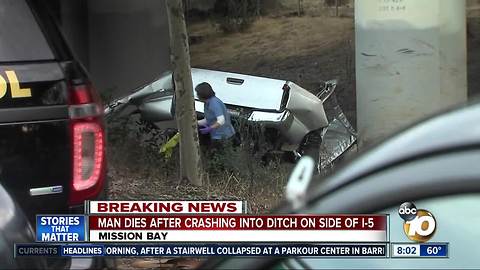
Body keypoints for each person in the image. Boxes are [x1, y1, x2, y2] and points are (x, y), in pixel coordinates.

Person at [195, 82, 236, 150]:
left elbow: (221, 120)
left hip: (224, 137)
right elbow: (209, 119)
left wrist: (210, 128)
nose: (197, 96)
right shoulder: (207, 103)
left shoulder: (214, 103)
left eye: (197, 94)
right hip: (216, 136)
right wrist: (196, 123)